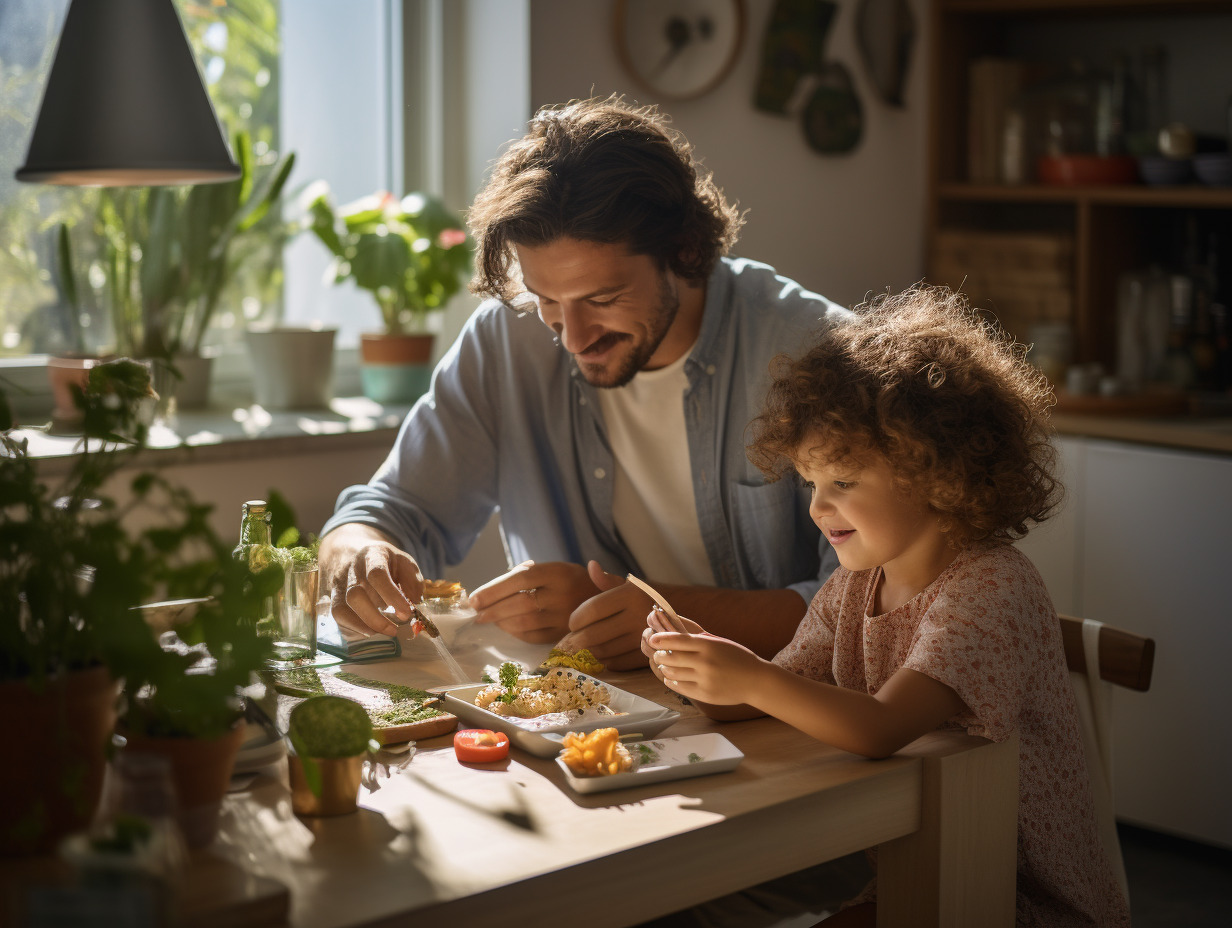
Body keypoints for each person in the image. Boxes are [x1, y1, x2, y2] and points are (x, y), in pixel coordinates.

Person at [641, 286, 1130, 927]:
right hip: (917, 862)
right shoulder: (856, 584)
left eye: (843, 482)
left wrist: (752, 678)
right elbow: (781, 690)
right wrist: (703, 668)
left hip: (1013, 896)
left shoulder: (991, 587)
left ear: (938, 472)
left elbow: (880, 728)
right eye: (811, 482)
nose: (817, 507)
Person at [318, 95, 851, 669]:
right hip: (583, 718)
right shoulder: (507, 339)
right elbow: (394, 507)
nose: (572, 338)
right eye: (547, 299)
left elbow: (871, 606)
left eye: (603, 299)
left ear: (684, 250)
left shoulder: (818, 353)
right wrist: (358, 551)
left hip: (778, 714)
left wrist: (655, 612)